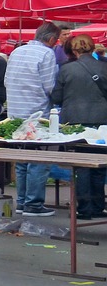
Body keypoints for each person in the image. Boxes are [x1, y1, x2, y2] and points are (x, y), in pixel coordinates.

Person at [5, 23, 61, 217]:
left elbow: (6, 80)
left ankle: (21, 201)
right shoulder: (47, 54)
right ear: (52, 39)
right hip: (36, 113)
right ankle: (34, 204)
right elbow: (50, 86)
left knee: (22, 160)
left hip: (14, 112)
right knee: (39, 159)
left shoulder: (17, 52)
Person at [52, 35, 107, 220]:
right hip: (102, 121)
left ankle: (84, 208)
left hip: (74, 122)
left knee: (81, 165)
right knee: (99, 164)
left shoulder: (66, 69)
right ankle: (99, 206)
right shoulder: (104, 66)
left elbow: (56, 97)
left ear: (74, 50)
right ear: (92, 48)